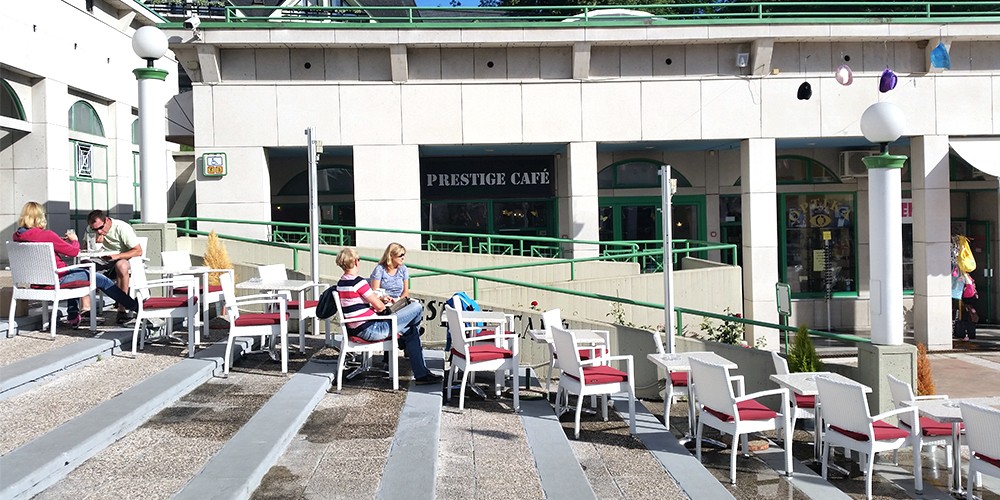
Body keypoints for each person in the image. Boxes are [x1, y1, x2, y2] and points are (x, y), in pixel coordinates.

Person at [12, 202, 138, 327]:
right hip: (58, 279)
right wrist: (74, 241)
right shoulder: (47, 235)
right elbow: (74, 252)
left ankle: (73, 316)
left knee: (75, 272)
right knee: (102, 280)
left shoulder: (17, 237)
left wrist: (59, 241)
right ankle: (136, 307)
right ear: (40, 217)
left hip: (36, 282)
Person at [336, 247, 441, 385]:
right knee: (416, 307)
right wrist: (381, 302)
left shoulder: (341, 283)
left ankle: (420, 370)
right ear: (356, 261)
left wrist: (379, 301)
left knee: (411, 332)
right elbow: (379, 307)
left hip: (357, 328)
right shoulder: (358, 282)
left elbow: (359, 303)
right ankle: (417, 367)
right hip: (371, 329)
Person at [86, 209, 143, 324]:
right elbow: (85, 249)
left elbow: (138, 251)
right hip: (101, 259)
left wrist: (117, 256)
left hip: (121, 257)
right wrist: (95, 242)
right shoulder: (91, 229)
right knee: (84, 266)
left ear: (107, 220)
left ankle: (122, 308)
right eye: (95, 229)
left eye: (101, 227)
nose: (99, 231)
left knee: (121, 265)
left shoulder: (122, 227)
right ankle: (86, 310)